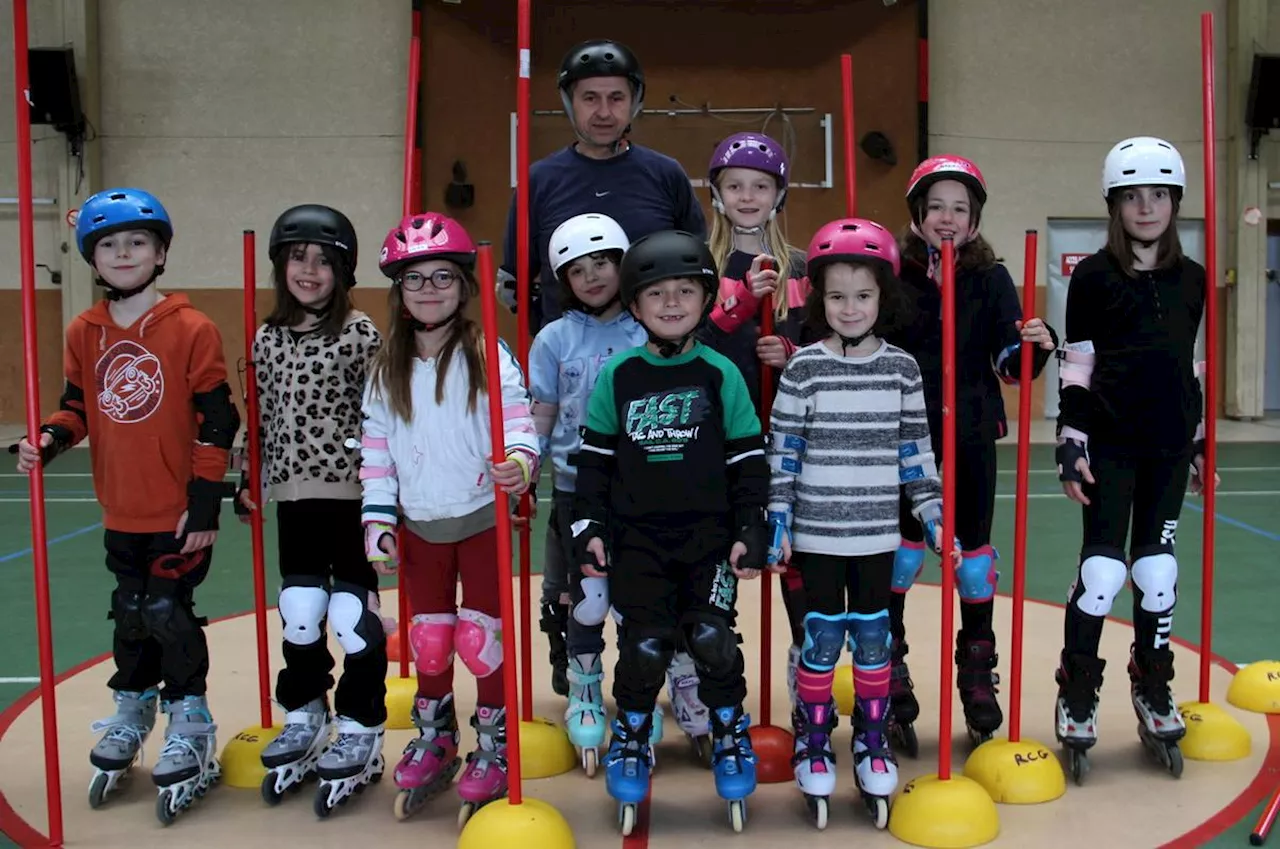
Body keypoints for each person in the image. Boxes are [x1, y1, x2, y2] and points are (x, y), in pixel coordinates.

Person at [13, 188, 237, 823]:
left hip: (176, 511)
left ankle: (190, 717)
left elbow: (217, 421)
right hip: (120, 507)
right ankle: (133, 708)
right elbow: (78, 407)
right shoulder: (85, 331)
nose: (123, 253)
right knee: (129, 613)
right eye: (108, 244)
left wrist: (204, 505)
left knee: (168, 610)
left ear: (160, 252)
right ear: (93, 257)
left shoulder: (192, 327)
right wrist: (49, 440)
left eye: (137, 242)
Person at [571, 230, 767, 834]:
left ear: (707, 298)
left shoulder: (722, 372)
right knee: (646, 646)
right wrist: (588, 527)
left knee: (711, 638)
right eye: (658, 294)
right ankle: (630, 735)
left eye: (687, 290)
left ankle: (731, 729)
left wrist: (751, 525)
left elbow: (747, 458)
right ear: (634, 305)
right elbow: (595, 460)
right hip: (639, 543)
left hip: (708, 540)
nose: (673, 303)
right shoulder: (620, 375)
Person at [769, 218, 950, 831]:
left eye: (863, 295)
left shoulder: (901, 369)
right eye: (837, 296)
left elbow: (914, 450)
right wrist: (778, 518)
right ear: (819, 299)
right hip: (817, 535)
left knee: (875, 637)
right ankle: (814, 737)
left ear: (884, 298)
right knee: (820, 639)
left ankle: (872, 738)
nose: (850, 308)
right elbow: (784, 450)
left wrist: (931, 512)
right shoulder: (804, 369)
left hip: (876, 532)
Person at [360, 212, 539, 826]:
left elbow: (517, 420)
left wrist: (520, 461)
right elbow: (376, 450)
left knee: (479, 640)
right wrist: (377, 518)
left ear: (465, 287)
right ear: (399, 293)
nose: (430, 288)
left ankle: (494, 748)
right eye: (416, 280)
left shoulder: (487, 351)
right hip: (420, 524)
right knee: (430, 644)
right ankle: (437, 738)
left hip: (479, 517)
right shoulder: (387, 363)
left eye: (443, 276)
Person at [884, 155, 1058, 754]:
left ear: (976, 220)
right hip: (901, 437)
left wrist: (1035, 348)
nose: (949, 217)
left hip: (971, 433)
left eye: (961, 207)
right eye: (937, 206)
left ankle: (977, 675)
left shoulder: (991, 279)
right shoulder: (893, 275)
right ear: (917, 215)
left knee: (974, 561)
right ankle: (891, 668)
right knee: (900, 559)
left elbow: (1012, 363)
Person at [1053, 136, 1211, 783]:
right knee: (1101, 572)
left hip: (1170, 443)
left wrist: (1199, 441)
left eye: (1158, 195)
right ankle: (1077, 688)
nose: (1146, 207)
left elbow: (1188, 365)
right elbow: (1078, 361)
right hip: (1112, 441)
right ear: (1114, 205)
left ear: (1174, 202)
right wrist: (1071, 440)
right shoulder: (1092, 276)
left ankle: (1151, 683)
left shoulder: (1193, 279)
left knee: (1158, 572)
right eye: (1132, 195)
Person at [236, 204, 389, 808]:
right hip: (291, 495)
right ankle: (303, 711)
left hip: (350, 495)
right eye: (298, 258)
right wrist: (248, 472)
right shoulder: (267, 336)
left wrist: (387, 494)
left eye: (324, 262)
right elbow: (262, 411)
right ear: (280, 265)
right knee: (300, 612)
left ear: (343, 271)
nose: (310, 270)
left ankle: (359, 722)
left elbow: (381, 414)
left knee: (353, 619)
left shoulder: (359, 332)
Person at [527, 212, 662, 776]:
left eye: (602, 263)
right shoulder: (555, 337)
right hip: (579, 489)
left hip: (643, 489)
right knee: (586, 598)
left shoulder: (647, 328)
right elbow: (542, 410)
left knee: (637, 598)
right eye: (577, 270)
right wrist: (526, 468)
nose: (592, 277)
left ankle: (637, 690)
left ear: (623, 264)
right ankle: (584, 689)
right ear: (564, 281)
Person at [698, 130, 813, 729]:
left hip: (786, 430)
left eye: (760, 186)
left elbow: (822, 343)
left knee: (790, 550)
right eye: (735, 186)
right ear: (716, 194)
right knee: (725, 554)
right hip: (722, 433)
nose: (747, 196)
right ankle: (715, 671)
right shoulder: (700, 260)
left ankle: (804, 664)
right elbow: (690, 344)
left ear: (778, 195)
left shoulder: (799, 266)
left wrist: (789, 351)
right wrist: (740, 300)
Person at [498, 38, 705, 335]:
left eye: (617, 98)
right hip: (569, 365)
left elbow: (697, 271)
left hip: (655, 359)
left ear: (634, 101)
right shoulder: (538, 181)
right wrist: (552, 342)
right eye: (590, 98)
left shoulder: (666, 174)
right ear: (571, 103)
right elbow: (513, 284)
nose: (604, 112)